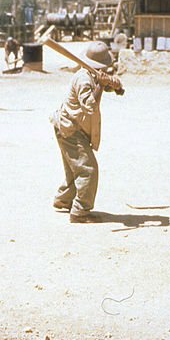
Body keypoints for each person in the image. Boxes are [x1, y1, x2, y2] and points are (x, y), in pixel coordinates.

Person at [52, 41, 122, 223]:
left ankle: (63, 200)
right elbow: (90, 106)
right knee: (88, 170)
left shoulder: (91, 74)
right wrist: (101, 84)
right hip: (70, 129)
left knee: (74, 168)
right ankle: (80, 212)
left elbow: (104, 87)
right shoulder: (83, 79)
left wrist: (112, 86)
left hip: (73, 127)